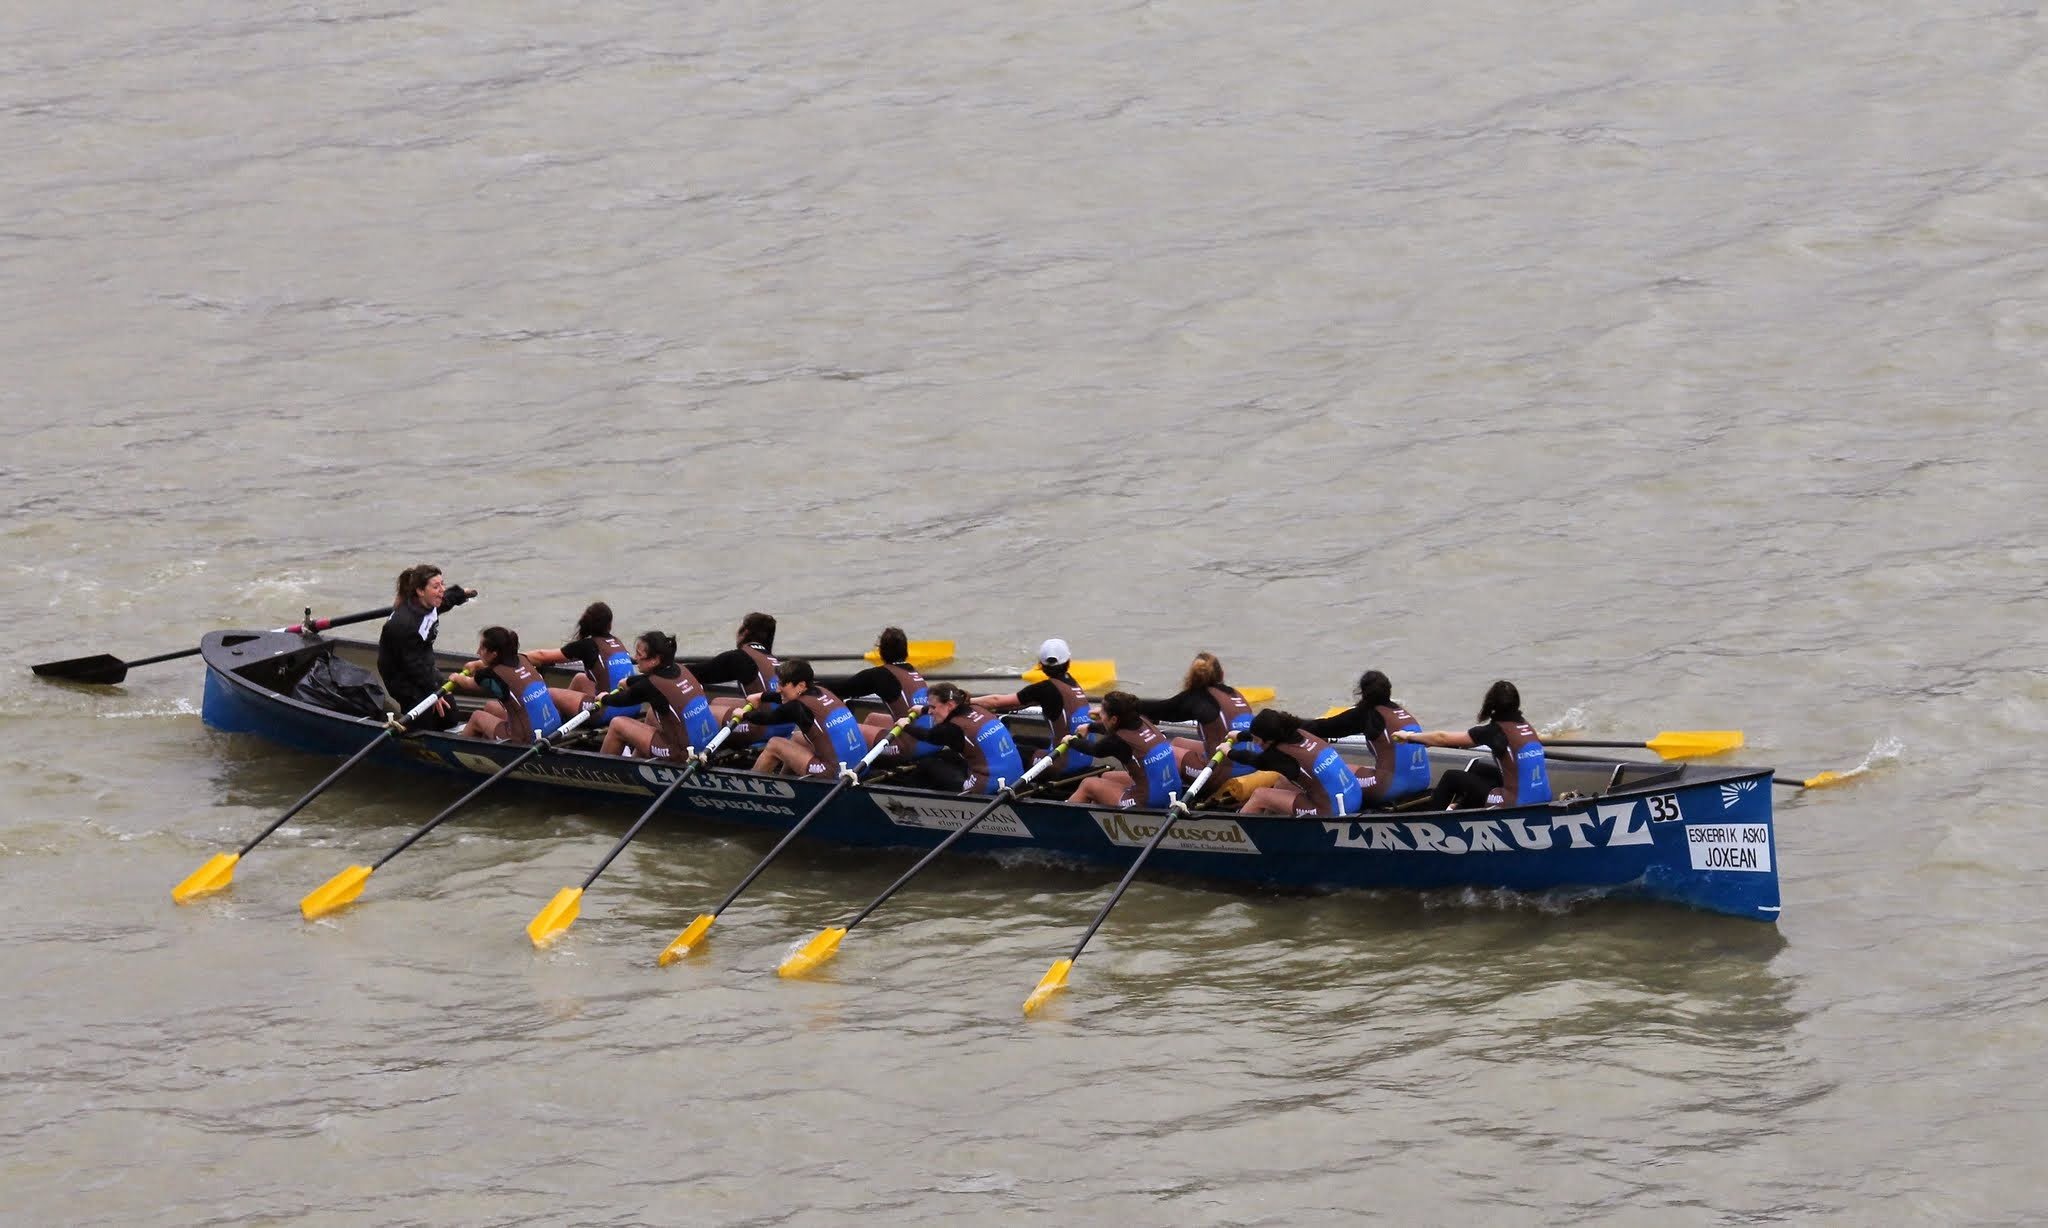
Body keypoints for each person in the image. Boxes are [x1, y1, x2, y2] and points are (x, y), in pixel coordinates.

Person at [1393, 680, 1551, 810]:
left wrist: (1409, 736)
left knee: (1451, 777)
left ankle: (1429, 824)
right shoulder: (1526, 726)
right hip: (1544, 795)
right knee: (1478, 767)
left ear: (1491, 705)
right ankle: (1461, 807)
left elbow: (1441, 738)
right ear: (1516, 704)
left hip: (1516, 803)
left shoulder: (1494, 731)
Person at [1299, 670, 1433, 807]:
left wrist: (1288, 723)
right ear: (1389, 690)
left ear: (1362, 693)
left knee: (1336, 772)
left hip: (1389, 787)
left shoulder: (1367, 715)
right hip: (1422, 781)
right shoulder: (1402, 712)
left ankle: (1313, 804)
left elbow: (1323, 727)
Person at [1132, 651, 1259, 787]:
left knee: (1161, 752)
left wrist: (1128, 704)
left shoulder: (1198, 698)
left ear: (1192, 676)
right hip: (1253, 764)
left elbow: (1161, 710)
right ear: (1221, 674)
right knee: (1177, 741)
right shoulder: (1235, 693)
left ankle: (1153, 787)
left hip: (1220, 773)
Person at [971, 638, 1094, 777]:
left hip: (1062, 763)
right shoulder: (1073, 684)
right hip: (1086, 757)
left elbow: (995, 701)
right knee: (1024, 739)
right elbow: (1024, 702)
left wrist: (967, 701)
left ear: (1040, 664)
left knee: (1010, 753)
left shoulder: (1045, 689)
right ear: (1068, 661)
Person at [376, 564, 478, 730]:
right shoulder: (404, 624)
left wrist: (461, 594)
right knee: (424, 725)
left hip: (424, 667)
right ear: (420, 591)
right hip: (402, 678)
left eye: (442, 584)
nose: (442, 590)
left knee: (450, 716)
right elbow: (412, 664)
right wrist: (433, 690)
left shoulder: (429, 603)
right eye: (436, 586)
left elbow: (446, 600)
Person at [593, 631, 720, 760]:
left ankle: (601, 770)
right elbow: (648, 681)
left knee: (617, 724)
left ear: (655, 660)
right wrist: (630, 681)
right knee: (652, 714)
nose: (635, 658)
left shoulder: (650, 687)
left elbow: (621, 700)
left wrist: (604, 698)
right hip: (711, 744)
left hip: (685, 754)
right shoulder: (682, 669)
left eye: (639, 654)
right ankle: (636, 760)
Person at [734, 658, 871, 777]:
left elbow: (767, 719)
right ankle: (786, 781)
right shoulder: (823, 690)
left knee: (774, 744)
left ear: (801, 685)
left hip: (836, 773)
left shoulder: (797, 707)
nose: (778, 689)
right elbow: (783, 698)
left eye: (783, 684)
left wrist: (743, 714)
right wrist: (761, 696)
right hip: (860, 767)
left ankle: (751, 786)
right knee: (797, 738)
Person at [521, 601, 642, 724]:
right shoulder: (616, 642)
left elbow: (542, 656)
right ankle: (567, 717)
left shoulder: (587, 646)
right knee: (580, 678)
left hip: (606, 710)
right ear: (609, 624)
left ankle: (551, 723)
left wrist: (516, 657)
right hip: (634, 706)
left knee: (550, 693)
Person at [1228, 709, 1365, 817]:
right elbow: (1259, 736)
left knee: (1260, 796)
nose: (1256, 744)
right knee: (1283, 781)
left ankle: (1238, 831)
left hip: (1333, 811)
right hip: (1355, 796)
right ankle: (1268, 820)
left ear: (1269, 740)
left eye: (1257, 741)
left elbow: (1252, 759)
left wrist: (1228, 751)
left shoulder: (1279, 756)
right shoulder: (1300, 731)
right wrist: (1240, 736)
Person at [818, 626, 933, 752]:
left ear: (881, 651)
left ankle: (858, 755)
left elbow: (844, 689)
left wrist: (812, 685)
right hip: (932, 741)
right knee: (872, 718)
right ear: (906, 651)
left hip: (910, 749)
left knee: (848, 729)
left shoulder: (880, 675)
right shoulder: (913, 671)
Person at [1064, 691, 1187, 809]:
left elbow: (1095, 750)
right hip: (1174, 790)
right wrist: (1090, 726)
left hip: (1150, 800)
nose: (1099, 714)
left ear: (1114, 719)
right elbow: (1114, 729)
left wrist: (1071, 741)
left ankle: (1062, 820)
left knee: (1088, 784)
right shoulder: (1142, 720)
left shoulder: (1117, 741)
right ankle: (1101, 817)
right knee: (1106, 776)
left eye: (1102, 712)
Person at [902, 683, 1027, 795]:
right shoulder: (977, 708)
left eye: (932, 707)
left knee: (927, 764)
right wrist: (923, 709)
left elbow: (927, 736)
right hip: (1017, 777)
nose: (929, 712)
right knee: (946, 755)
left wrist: (905, 726)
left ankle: (907, 795)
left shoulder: (951, 729)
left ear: (950, 704)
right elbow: (943, 712)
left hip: (990, 786)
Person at [448, 625, 562, 743]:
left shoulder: (489, 675)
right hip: (555, 726)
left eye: (482, 648)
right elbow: (499, 664)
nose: (477, 651)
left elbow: (467, 683)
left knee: (477, 717)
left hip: (527, 738)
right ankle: (489, 748)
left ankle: (458, 753)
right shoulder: (523, 659)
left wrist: (456, 677)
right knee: (490, 707)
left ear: (494, 654)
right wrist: (477, 664)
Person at [683, 612, 780, 724]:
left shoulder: (739, 657)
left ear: (745, 632)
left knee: (705, 712)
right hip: (786, 722)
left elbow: (698, 674)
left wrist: (668, 669)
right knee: (717, 702)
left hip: (762, 726)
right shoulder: (771, 659)